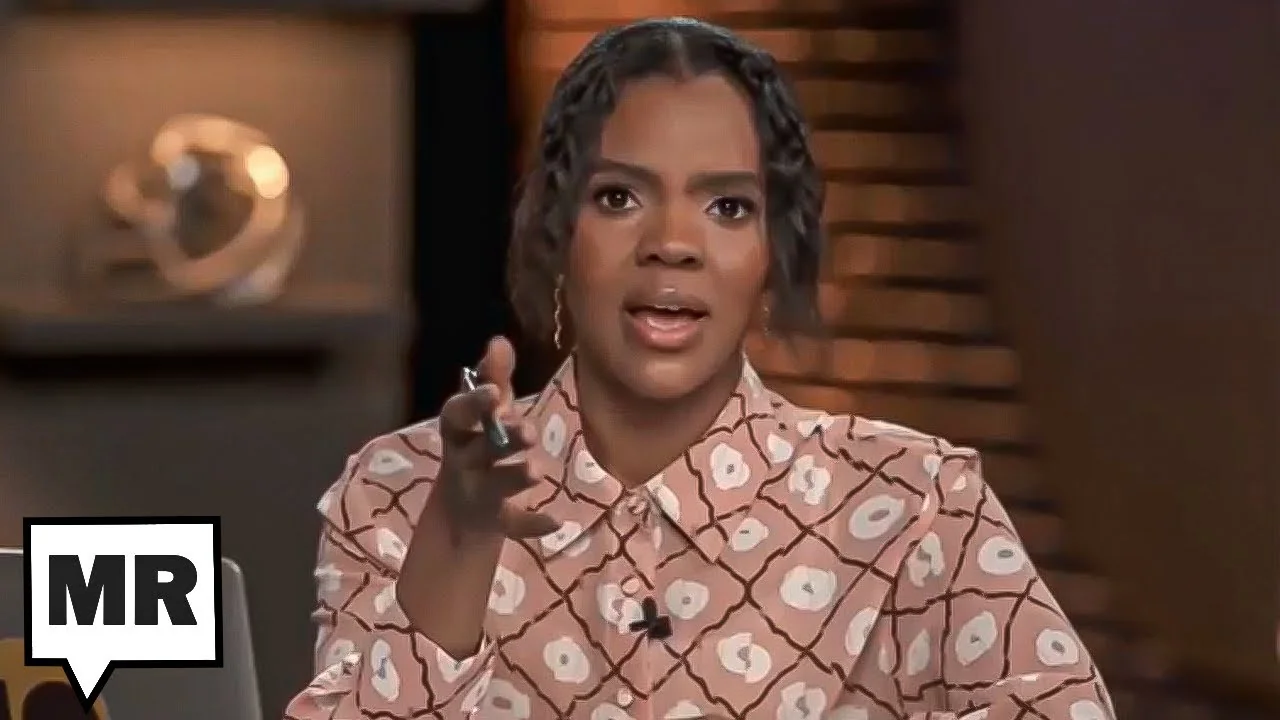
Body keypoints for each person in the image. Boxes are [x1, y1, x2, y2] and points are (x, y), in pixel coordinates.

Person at [283, 17, 1114, 720]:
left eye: (727, 206)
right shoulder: (396, 492)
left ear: (771, 253)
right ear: (557, 232)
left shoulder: (918, 506)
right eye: (619, 197)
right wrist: (460, 540)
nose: (673, 243)